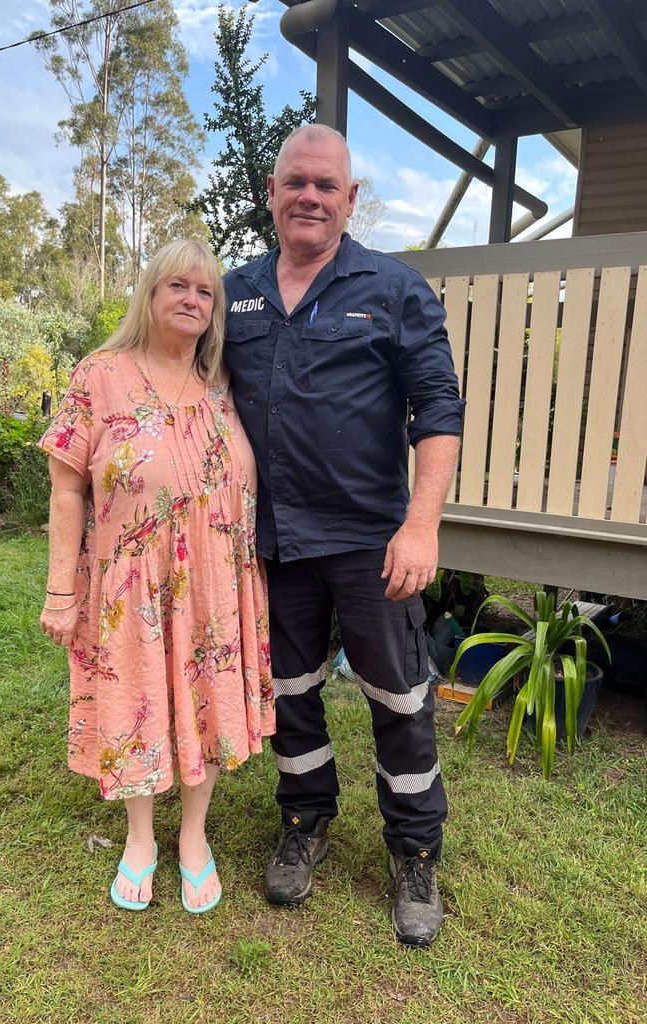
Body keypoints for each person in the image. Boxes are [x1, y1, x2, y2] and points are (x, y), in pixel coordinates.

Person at [223, 125, 464, 947]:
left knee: (399, 699)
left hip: (370, 543)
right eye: (297, 182)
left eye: (328, 186)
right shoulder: (236, 293)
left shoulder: (393, 288)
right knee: (289, 694)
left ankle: (415, 849)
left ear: (351, 199)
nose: (311, 197)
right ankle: (305, 820)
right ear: (272, 190)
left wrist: (421, 525)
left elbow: (437, 411)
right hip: (274, 543)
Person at [38, 239, 274, 914]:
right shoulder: (100, 374)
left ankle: (194, 838)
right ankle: (140, 839)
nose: (191, 300)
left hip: (215, 583)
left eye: (205, 292)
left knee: (207, 703)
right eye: (177, 285)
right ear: (149, 293)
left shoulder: (224, 384)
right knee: (133, 705)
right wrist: (62, 591)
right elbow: (66, 494)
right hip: (128, 584)